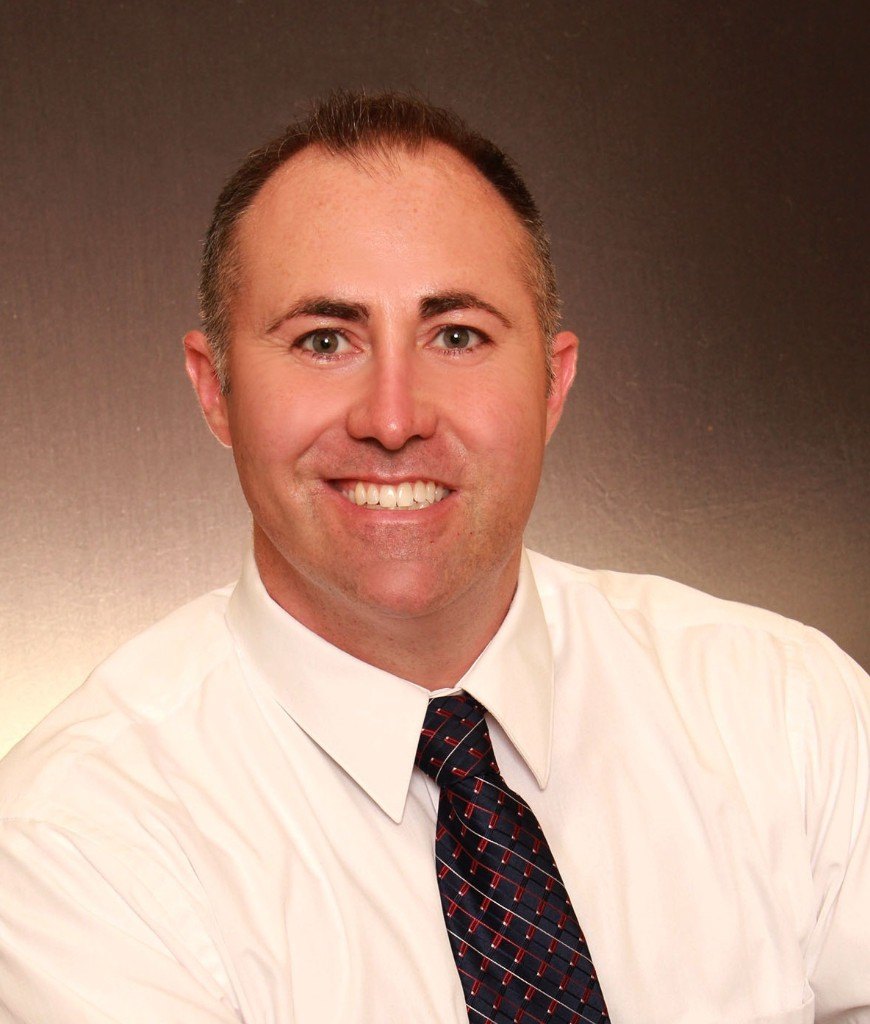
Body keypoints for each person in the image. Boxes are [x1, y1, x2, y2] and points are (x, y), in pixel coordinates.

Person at [0, 92, 866, 1024]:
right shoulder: (73, 848)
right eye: (324, 340)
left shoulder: (791, 715)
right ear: (216, 391)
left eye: (457, 336)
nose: (393, 418)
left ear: (552, 384)